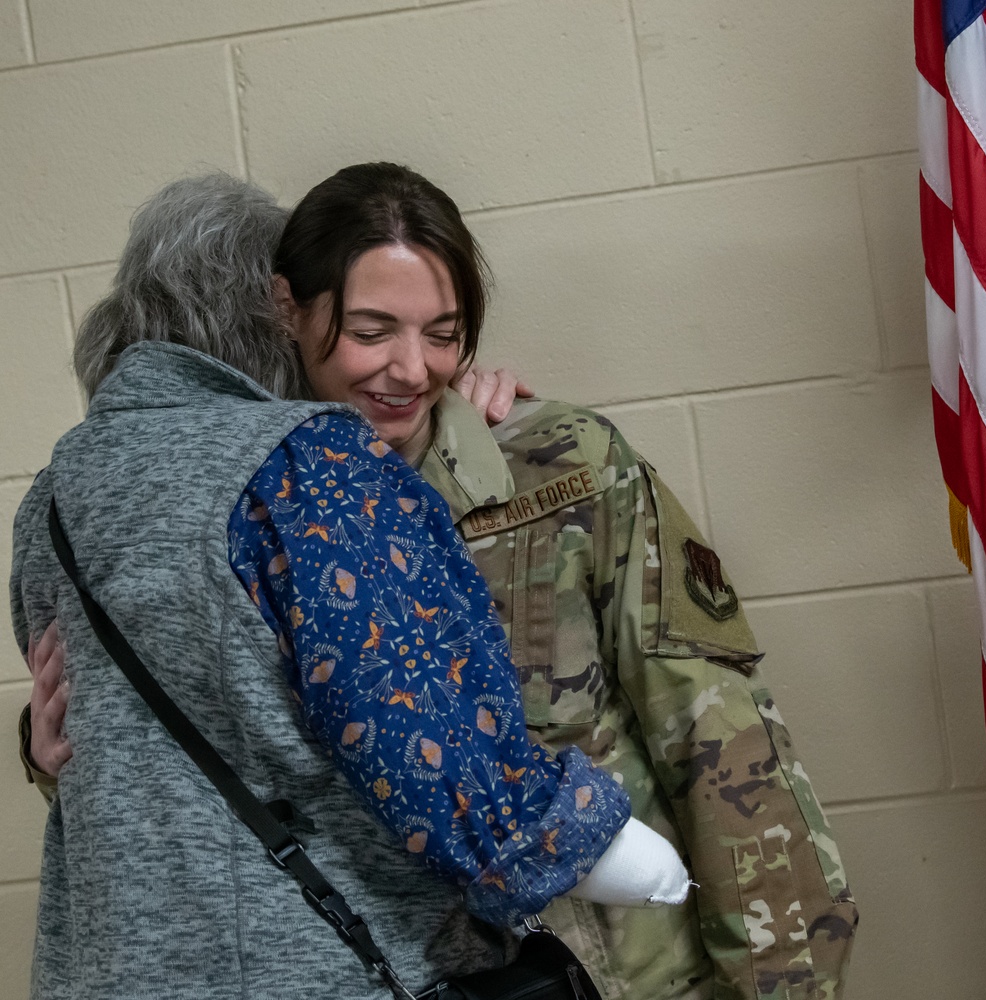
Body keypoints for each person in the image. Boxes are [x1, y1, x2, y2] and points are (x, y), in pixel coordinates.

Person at [25, 162, 859, 998]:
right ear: (285, 316)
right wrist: (47, 748)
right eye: (371, 329)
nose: (412, 370)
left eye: (442, 334)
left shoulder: (558, 467)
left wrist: (783, 983)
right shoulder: (226, 502)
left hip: (614, 975)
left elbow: (718, 742)